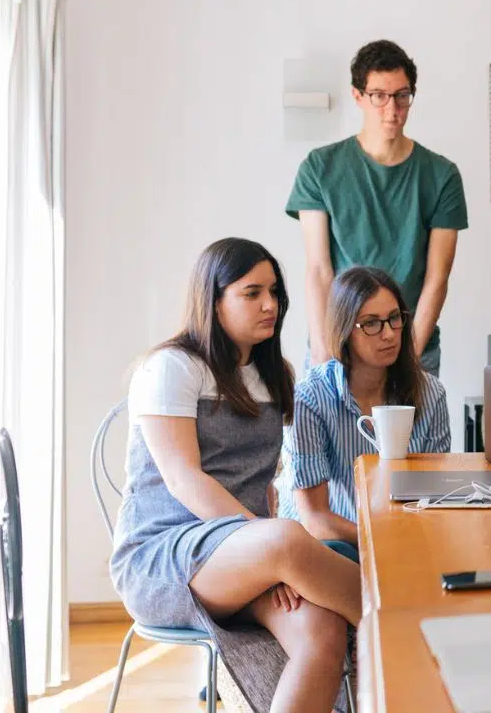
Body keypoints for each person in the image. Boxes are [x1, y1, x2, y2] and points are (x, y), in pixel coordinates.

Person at [112, 238, 360, 712]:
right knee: (289, 540)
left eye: (275, 292)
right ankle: (405, 624)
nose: (271, 305)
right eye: (252, 293)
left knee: (323, 630)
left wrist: (269, 556)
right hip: (165, 555)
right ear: (214, 298)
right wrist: (271, 551)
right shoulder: (172, 367)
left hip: (245, 555)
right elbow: (186, 480)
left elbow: (264, 482)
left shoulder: (275, 375)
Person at [287, 39, 468, 376]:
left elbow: (436, 278)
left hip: (413, 346)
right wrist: (324, 353)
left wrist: (409, 359)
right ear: (358, 96)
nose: (392, 109)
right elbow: (318, 270)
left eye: (402, 96)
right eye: (379, 96)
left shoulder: (442, 175)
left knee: (413, 432)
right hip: (340, 345)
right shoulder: (319, 168)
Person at [280, 266, 452, 549]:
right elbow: (316, 520)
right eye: (371, 323)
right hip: (329, 543)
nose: (388, 334)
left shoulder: (431, 393)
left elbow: (433, 497)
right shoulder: (309, 398)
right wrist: (380, 538)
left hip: (401, 537)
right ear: (345, 330)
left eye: (394, 319)